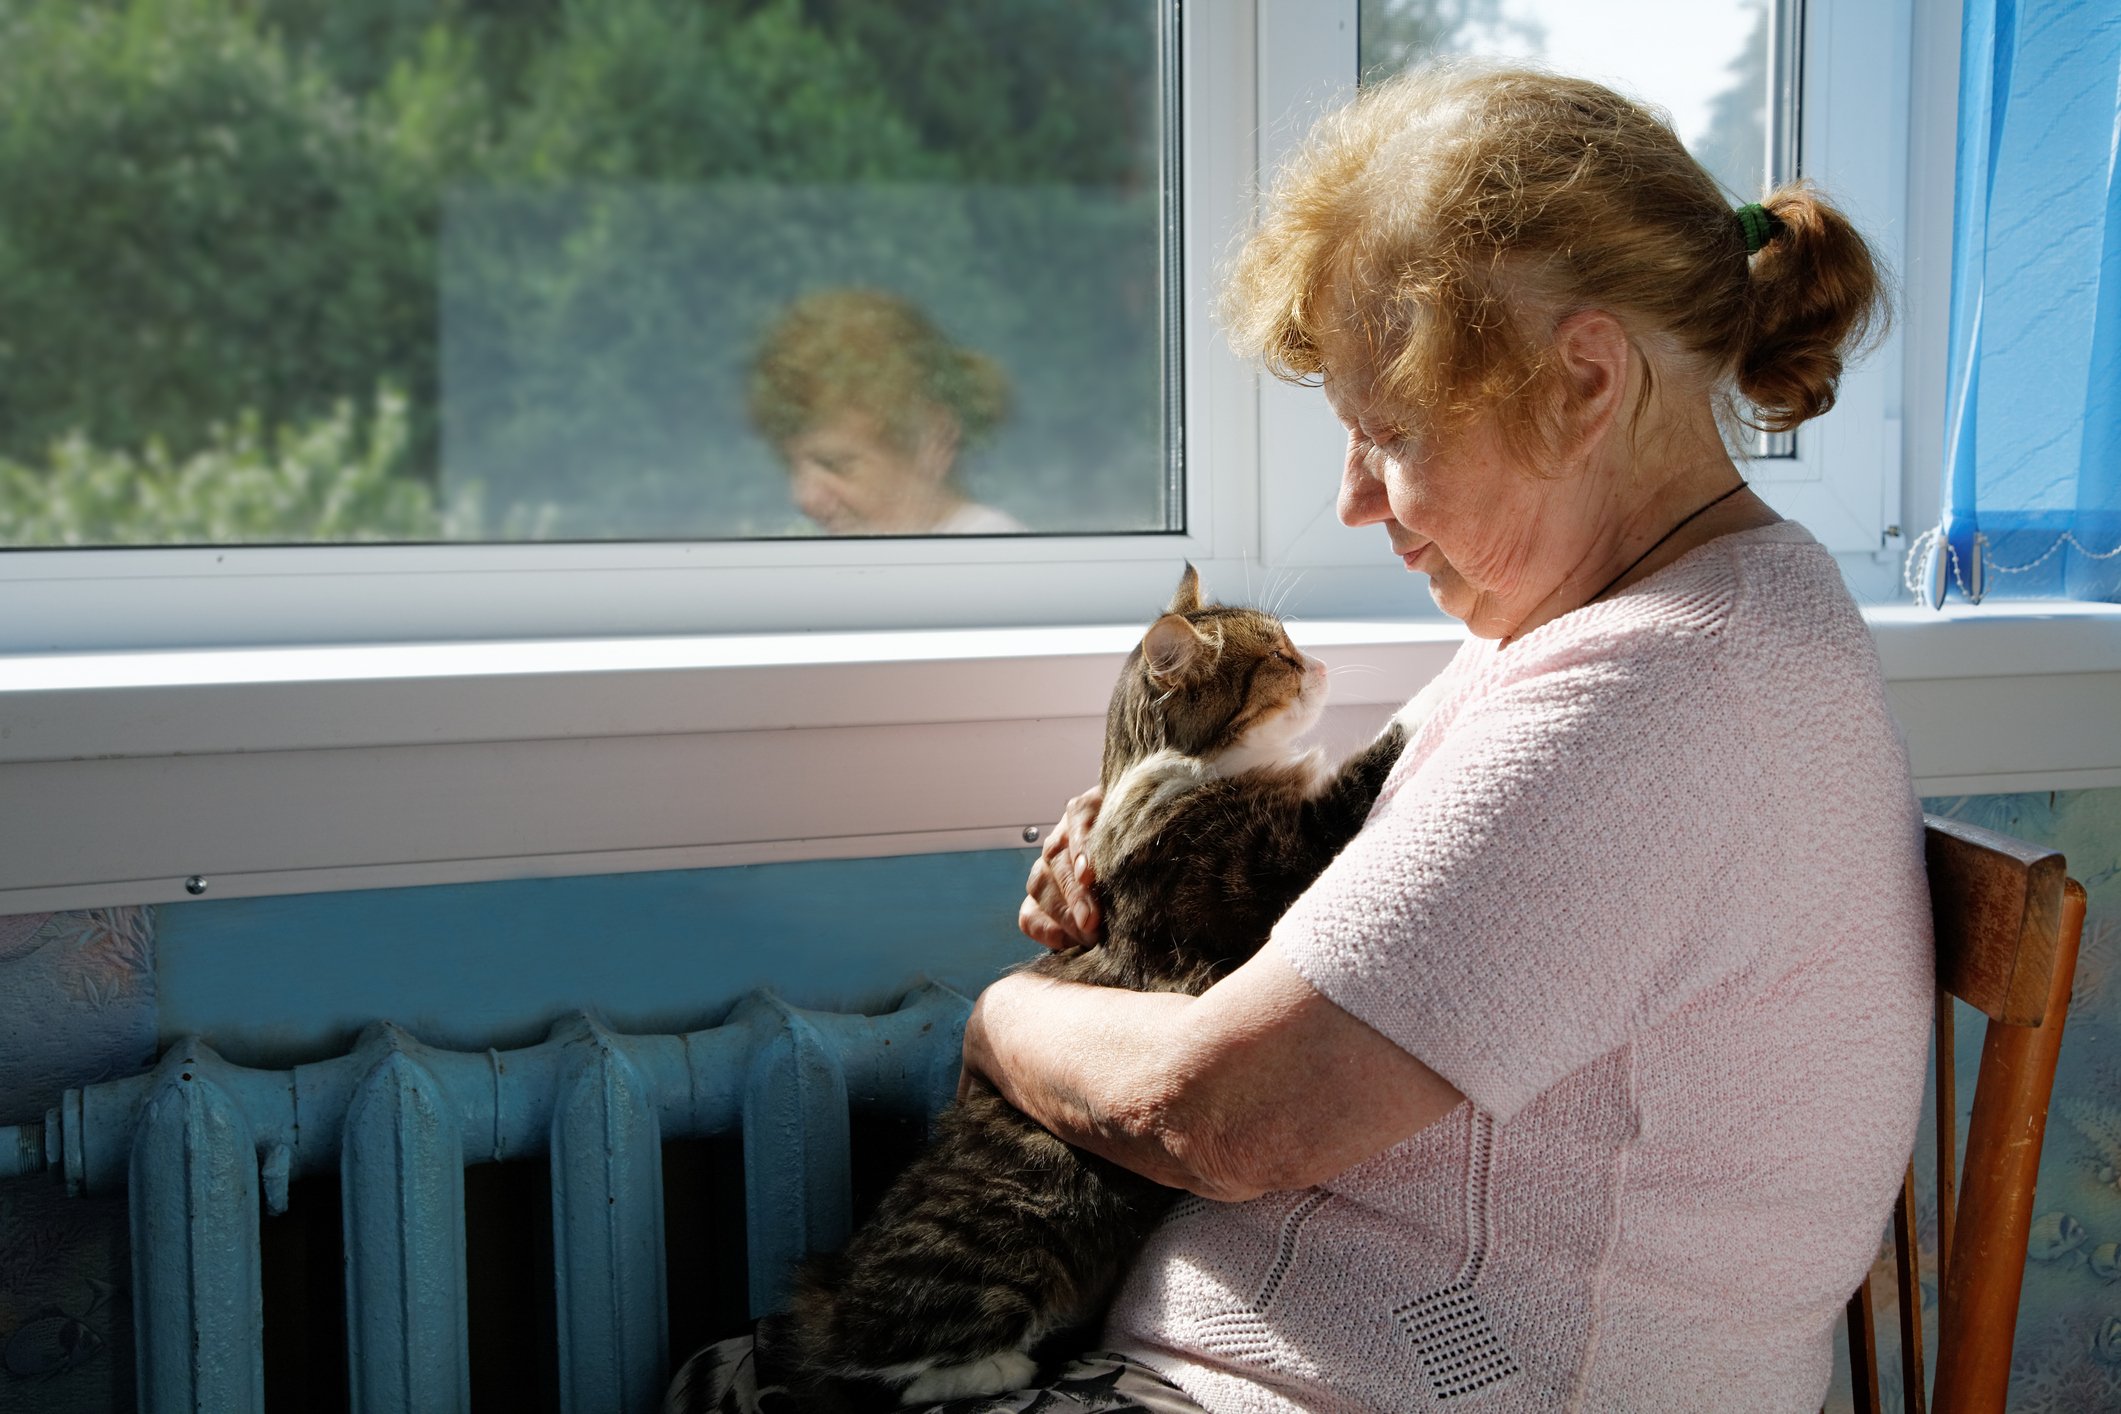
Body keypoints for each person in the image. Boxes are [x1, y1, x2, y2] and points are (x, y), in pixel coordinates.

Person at [984, 64, 1932, 1411]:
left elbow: (1221, 1114)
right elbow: (1384, 905)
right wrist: (1149, 849)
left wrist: (1003, 1016)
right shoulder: (1603, 624)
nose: (1356, 499)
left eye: (1392, 433)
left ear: (1585, 378)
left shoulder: (1656, 702)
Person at [747, 288, 1027, 536]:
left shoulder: (998, 572)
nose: (804, 497)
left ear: (933, 439)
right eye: (789, 465)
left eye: (835, 465)